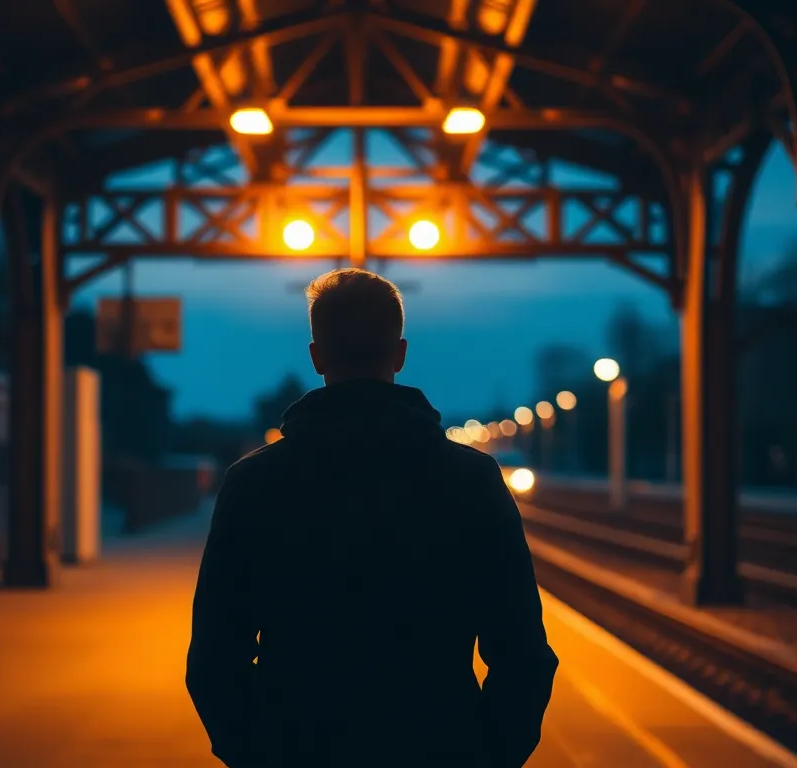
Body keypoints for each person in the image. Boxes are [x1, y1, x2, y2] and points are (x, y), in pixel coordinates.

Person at [187, 268, 558, 768]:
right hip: (440, 746)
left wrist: (257, 751)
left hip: (295, 747)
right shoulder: (470, 479)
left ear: (317, 357)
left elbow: (215, 659)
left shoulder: (254, 483)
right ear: (399, 354)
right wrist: (487, 753)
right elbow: (523, 654)